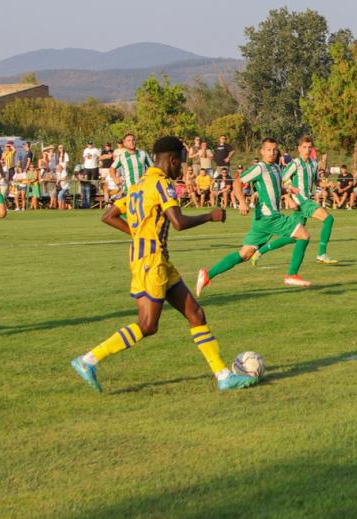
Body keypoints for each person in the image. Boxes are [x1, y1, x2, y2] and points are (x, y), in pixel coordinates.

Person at [69, 135, 256, 393]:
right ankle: (88, 360)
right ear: (172, 160)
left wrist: (139, 234)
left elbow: (109, 215)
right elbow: (178, 222)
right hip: (151, 262)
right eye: (181, 162)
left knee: (196, 314)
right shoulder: (161, 184)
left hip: (155, 259)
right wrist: (209, 216)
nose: (182, 168)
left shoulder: (139, 184)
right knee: (148, 325)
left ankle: (223, 376)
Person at [196, 138, 317, 293]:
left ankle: (207, 275)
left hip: (261, 221)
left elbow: (277, 188)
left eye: (274, 150)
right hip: (270, 217)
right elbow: (237, 182)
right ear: (262, 151)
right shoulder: (259, 168)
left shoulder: (276, 168)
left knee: (245, 254)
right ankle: (292, 274)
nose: (272, 153)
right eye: (268, 150)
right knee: (304, 235)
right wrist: (242, 202)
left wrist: (288, 192)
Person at [278, 135, 337, 264]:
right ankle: (321, 254)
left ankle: (260, 251)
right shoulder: (295, 163)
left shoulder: (314, 163)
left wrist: (326, 184)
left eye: (310, 147)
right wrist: (289, 193)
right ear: (299, 148)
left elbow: (316, 181)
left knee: (294, 235)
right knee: (328, 219)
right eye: (304, 147)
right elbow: (282, 179)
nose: (307, 150)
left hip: (304, 203)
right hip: (302, 201)